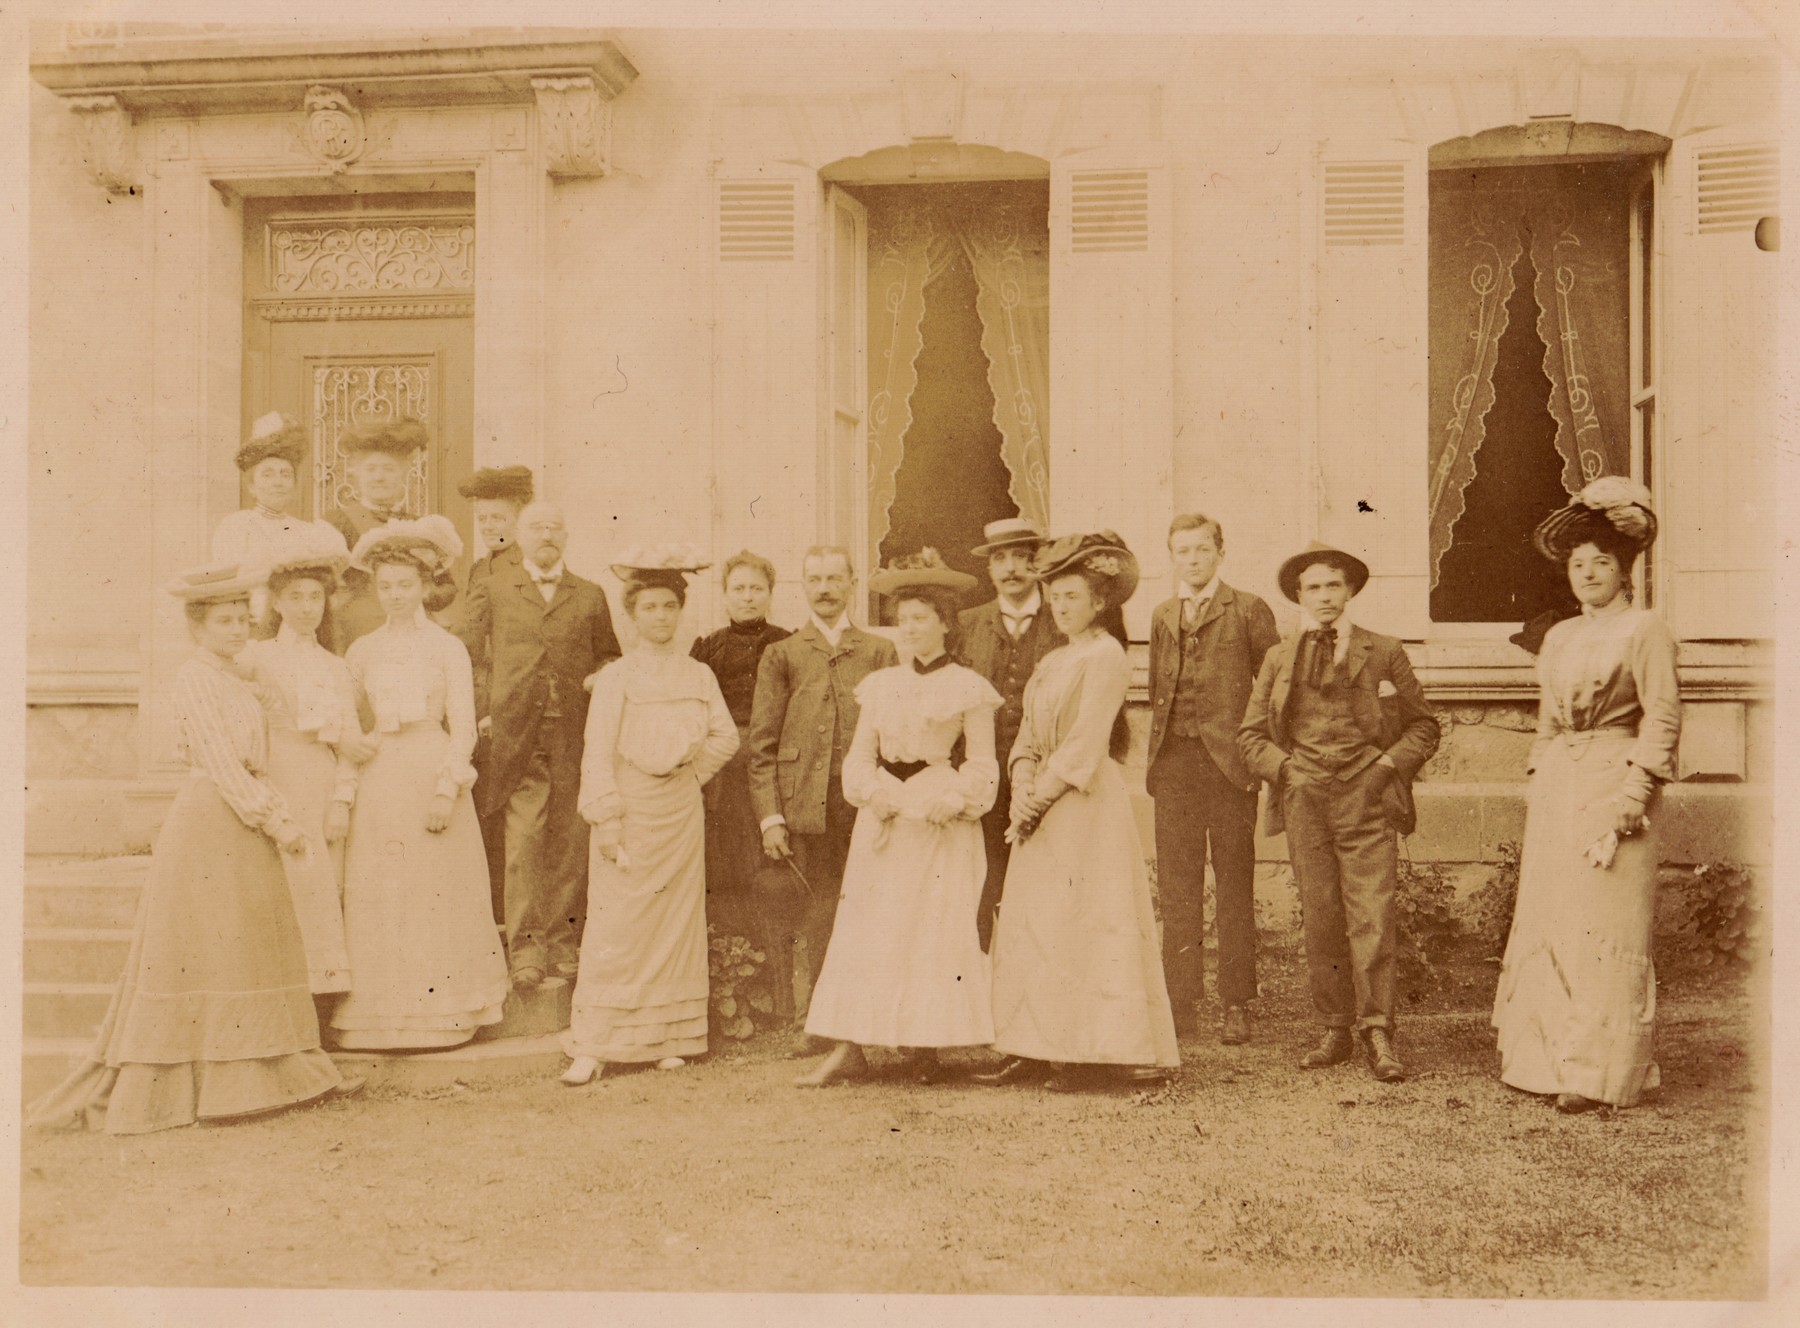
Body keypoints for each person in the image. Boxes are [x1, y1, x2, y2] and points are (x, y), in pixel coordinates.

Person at [28, 564, 351, 1134]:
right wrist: (279, 821)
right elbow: (224, 767)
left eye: (242, 620)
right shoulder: (194, 680)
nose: (236, 630)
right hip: (214, 821)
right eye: (223, 622)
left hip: (242, 823)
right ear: (197, 628)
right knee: (214, 948)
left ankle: (268, 1075)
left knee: (249, 946)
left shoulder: (236, 677)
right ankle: (205, 1083)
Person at [1492, 479, 1679, 1113]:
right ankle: (1543, 1063)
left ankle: (1600, 1074)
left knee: (1605, 921)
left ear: (1624, 570)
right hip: (1560, 789)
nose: (1589, 573)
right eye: (1578, 564)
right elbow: (1547, 723)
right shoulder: (1560, 636)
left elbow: (1662, 717)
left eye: (1601, 562)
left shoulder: (1646, 629)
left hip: (1615, 782)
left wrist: (1636, 792)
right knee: (1555, 919)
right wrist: (1539, 777)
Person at [981, 532, 1180, 1091]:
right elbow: (1028, 733)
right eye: (1055, 596)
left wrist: (1037, 800)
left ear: (1099, 602)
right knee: (1035, 922)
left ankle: (1089, 1051)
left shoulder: (1107, 655)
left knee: (1080, 922)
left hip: (1083, 806)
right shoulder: (1053, 659)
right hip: (1040, 807)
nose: (1061, 606)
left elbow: (1085, 743)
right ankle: (1032, 1045)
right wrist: (1022, 782)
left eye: (1073, 596)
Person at [796, 551, 1003, 1087]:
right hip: (886, 816)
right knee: (868, 927)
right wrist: (871, 791)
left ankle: (925, 1046)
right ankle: (850, 1047)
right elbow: (859, 757)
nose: (909, 629)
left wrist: (956, 797)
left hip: (937, 817)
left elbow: (983, 764)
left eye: (920, 619)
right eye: (903, 619)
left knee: (931, 929)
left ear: (945, 624)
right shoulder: (881, 684)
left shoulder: (968, 686)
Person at [1238, 542, 1440, 1083]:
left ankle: (1378, 1031)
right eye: (1313, 587)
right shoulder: (1279, 658)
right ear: (1299, 596)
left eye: (1333, 585)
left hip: (1366, 799)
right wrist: (1286, 771)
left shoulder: (1384, 650)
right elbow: (1251, 735)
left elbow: (1424, 726)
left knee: (1372, 914)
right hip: (1306, 799)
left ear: (1349, 591)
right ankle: (1335, 1028)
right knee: (1322, 914)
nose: (1324, 596)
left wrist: (1384, 768)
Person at [560, 547, 739, 1086]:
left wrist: (689, 776)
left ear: (680, 611)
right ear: (632, 615)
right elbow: (597, 750)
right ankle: (596, 1044)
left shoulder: (698, 674)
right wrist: (607, 816)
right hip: (629, 807)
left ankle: (666, 1037)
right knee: (619, 922)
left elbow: (725, 737)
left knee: (672, 924)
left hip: (679, 811)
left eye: (669, 606)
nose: (660, 616)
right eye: (649, 608)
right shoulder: (616, 677)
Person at [329, 517, 509, 1050]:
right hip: (380, 778)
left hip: (431, 771)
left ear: (425, 586)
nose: (395, 595)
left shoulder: (446, 647)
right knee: (384, 892)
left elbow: (463, 726)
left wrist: (447, 789)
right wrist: (351, 764)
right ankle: (381, 1019)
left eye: (405, 584)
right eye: (385, 585)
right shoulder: (362, 651)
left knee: (434, 893)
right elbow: (345, 720)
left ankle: (444, 1016)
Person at [459, 501, 621, 990]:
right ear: (521, 536)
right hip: (516, 733)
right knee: (525, 839)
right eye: (537, 527)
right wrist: (486, 708)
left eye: (555, 527)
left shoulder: (589, 594)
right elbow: (469, 657)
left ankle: (563, 943)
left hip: (574, 730)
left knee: (570, 838)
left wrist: (598, 678)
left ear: (566, 536)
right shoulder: (493, 588)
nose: (546, 535)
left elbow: (609, 656)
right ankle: (526, 951)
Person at [747, 545, 900, 1044]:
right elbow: (762, 747)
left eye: (835, 578)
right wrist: (771, 818)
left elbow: (894, 738)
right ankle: (813, 1021)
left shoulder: (878, 651)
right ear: (803, 587)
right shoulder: (783, 654)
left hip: (863, 803)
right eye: (814, 579)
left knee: (869, 907)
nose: (825, 589)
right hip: (805, 809)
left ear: (852, 583)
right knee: (817, 911)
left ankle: (870, 1019)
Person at [1146, 513, 1280, 1044]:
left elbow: (1273, 688)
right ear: (1172, 557)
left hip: (1229, 768)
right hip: (1175, 767)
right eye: (1183, 551)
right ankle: (1180, 1004)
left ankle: (1236, 1002)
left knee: (1233, 886)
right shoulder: (1162, 615)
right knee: (1177, 886)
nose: (1193, 560)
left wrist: (1255, 751)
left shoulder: (1247, 609)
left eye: (1202, 549)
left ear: (1220, 553)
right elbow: (1158, 691)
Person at [239, 527, 374, 1002]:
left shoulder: (335, 667)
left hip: (319, 785)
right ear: (276, 602)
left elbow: (350, 745)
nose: (306, 607)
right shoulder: (254, 659)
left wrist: (341, 801)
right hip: (273, 780)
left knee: (320, 888)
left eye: (315, 597)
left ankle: (320, 1003)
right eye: (295, 597)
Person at [689, 551, 794, 1012]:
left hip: (770, 772)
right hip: (722, 777)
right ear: (725, 594)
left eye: (757, 589)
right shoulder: (708, 649)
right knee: (725, 870)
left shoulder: (787, 644)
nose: (748, 597)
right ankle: (732, 985)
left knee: (769, 874)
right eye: (739, 589)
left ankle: (779, 990)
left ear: (770, 594)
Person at [956, 517, 1064, 953]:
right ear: (989, 568)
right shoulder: (967, 624)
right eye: (1000, 559)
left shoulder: (1062, 619)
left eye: (1021, 557)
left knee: (1044, 878)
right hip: (983, 775)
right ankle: (983, 970)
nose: (1011, 568)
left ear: (1038, 563)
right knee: (983, 877)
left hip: (1045, 776)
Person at [456, 464, 537, 918]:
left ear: (519, 518)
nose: (489, 527)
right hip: (479, 697)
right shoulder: (479, 568)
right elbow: (470, 639)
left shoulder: (527, 567)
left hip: (508, 699)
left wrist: (494, 705)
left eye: (498, 518)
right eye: (483, 519)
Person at [210, 412, 348, 635]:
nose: (278, 482)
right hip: (252, 629)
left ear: (294, 484)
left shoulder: (310, 532)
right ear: (252, 486)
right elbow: (230, 584)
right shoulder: (237, 526)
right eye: (268, 475)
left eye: (285, 474)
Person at [323, 417, 428, 654]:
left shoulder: (419, 526)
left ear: (404, 473)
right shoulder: (337, 523)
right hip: (356, 634)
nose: (379, 477)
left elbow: (444, 589)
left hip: (411, 637)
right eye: (370, 469)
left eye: (389, 469)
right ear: (357, 474)